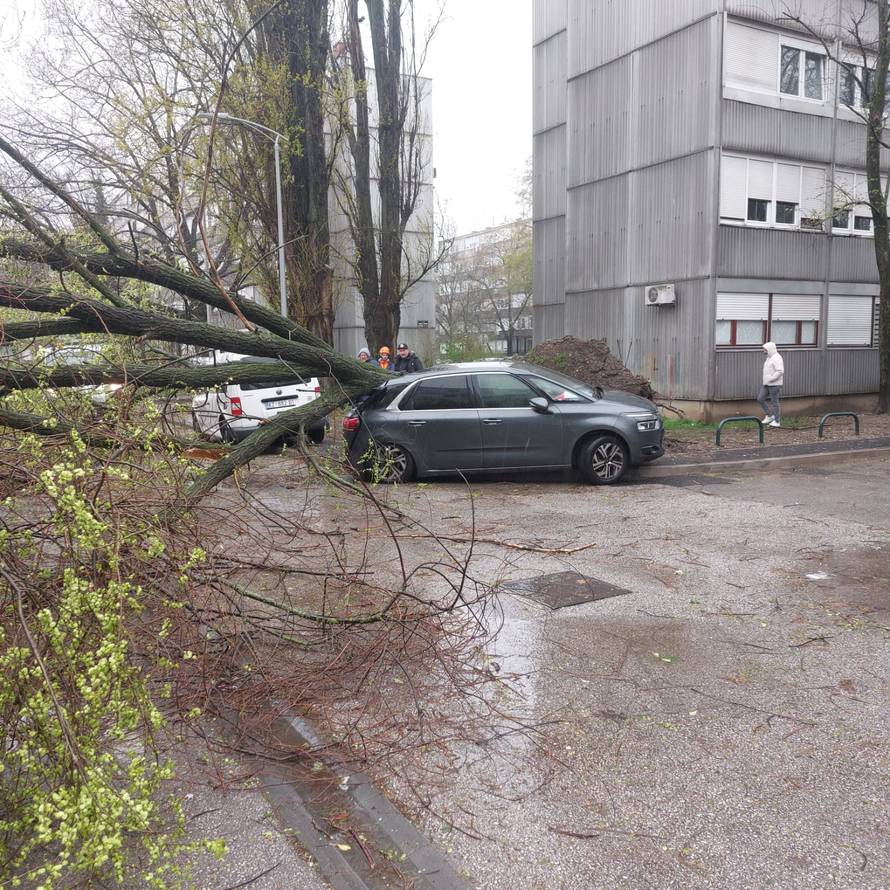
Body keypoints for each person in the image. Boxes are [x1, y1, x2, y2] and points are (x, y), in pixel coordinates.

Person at [758, 341, 784, 428]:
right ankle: (769, 416)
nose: (764, 351)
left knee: (774, 402)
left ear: (770, 349)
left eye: (765, 350)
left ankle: (777, 421)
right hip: (766, 383)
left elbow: (780, 371)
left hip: (775, 384)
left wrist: (771, 378)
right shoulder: (769, 357)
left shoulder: (777, 357)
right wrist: (767, 380)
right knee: (760, 398)